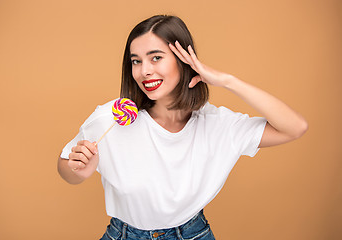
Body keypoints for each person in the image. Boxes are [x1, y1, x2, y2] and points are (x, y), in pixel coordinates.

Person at [57, 15, 308, 240]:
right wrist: (77, 170)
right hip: (124, 234)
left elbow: (294, 127)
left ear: (184, 61)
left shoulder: (217, 124)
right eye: (136, 61)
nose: (144, 71)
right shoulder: (110, 118)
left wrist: (228, 81)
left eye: (156, 58)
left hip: (192, 233)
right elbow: (66, 167)